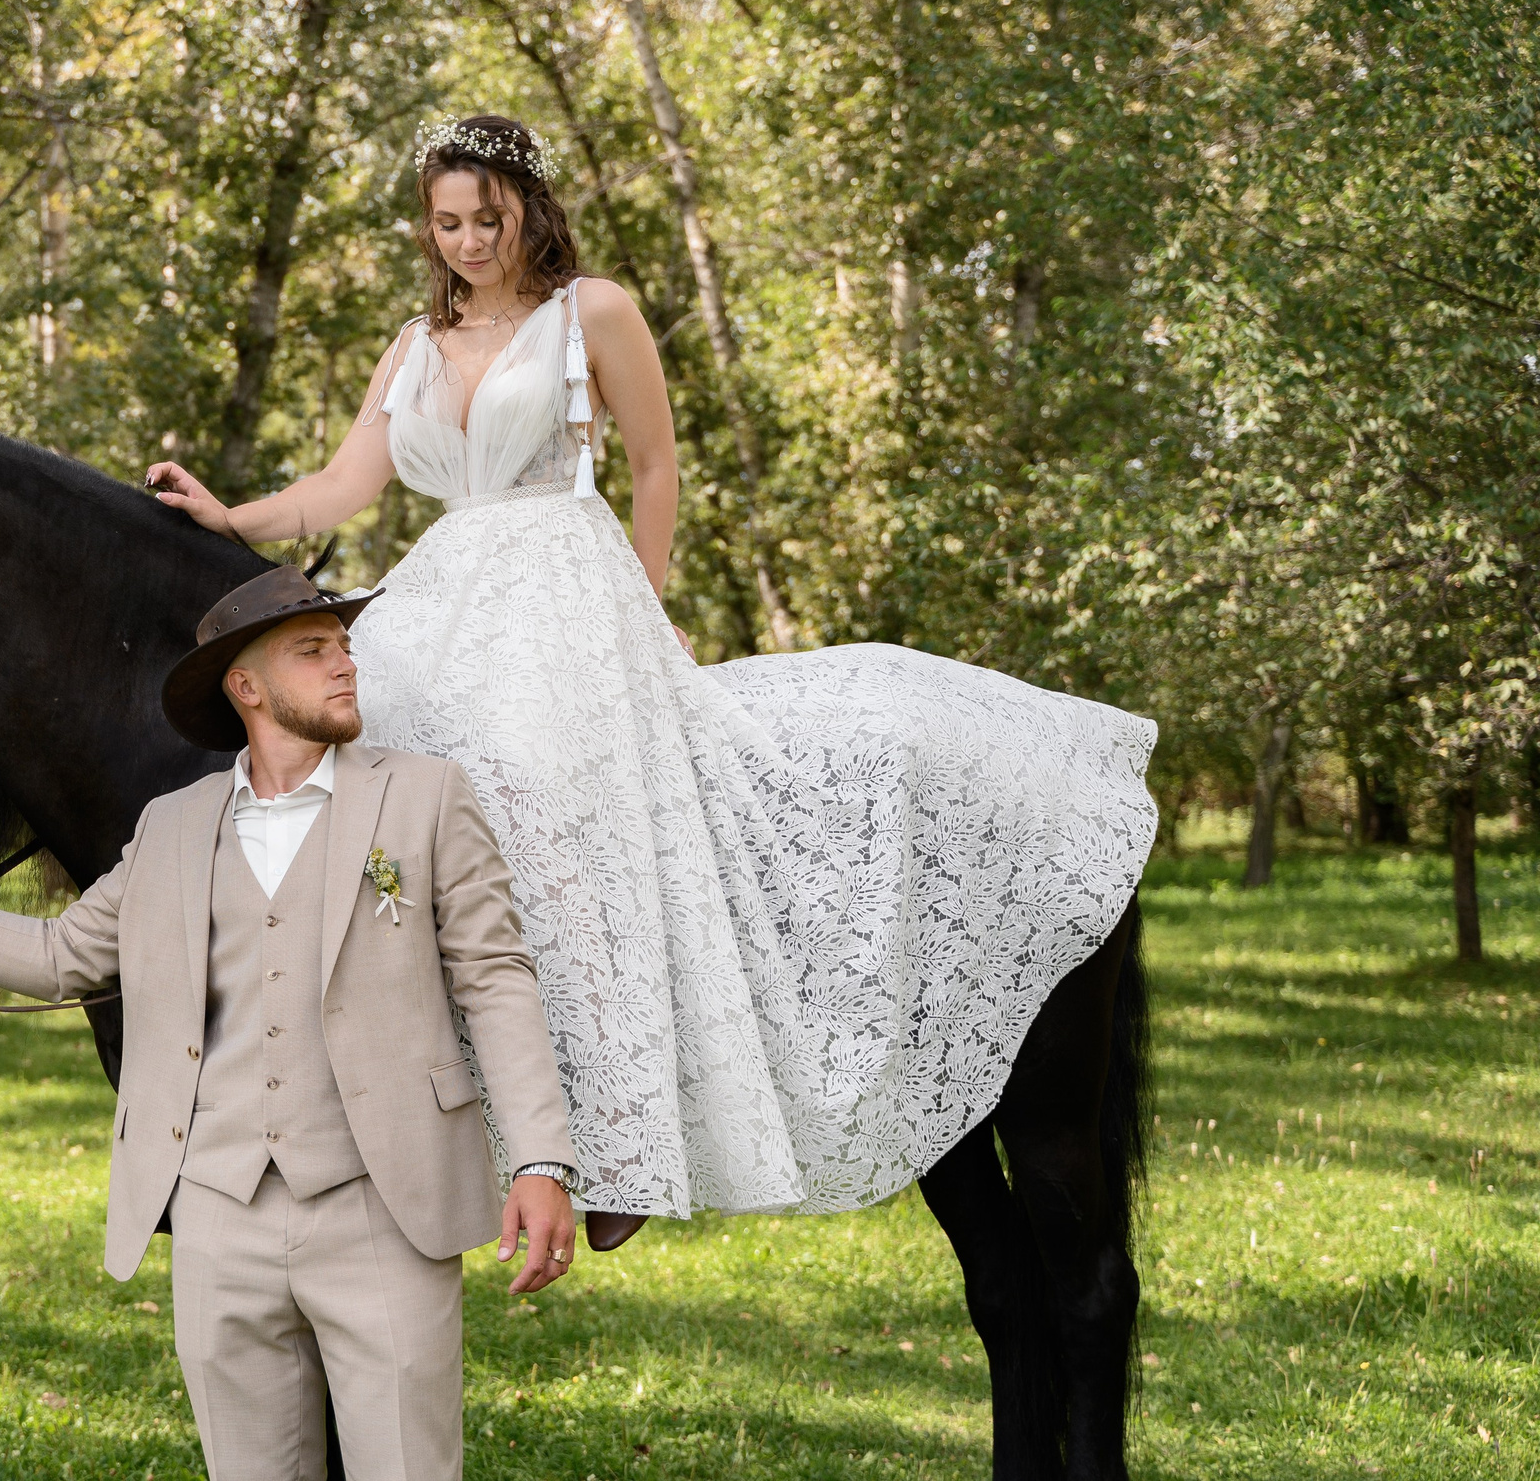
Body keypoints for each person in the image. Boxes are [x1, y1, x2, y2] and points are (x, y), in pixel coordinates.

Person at [146, 113, 1160, 1246]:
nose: (470, 240)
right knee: (370, 779)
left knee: (538, 782)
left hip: (563, 575)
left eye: (489, 216)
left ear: (528, 205)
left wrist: (646, 596)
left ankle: (617, 1127)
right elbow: (336, 490)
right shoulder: (411, 343)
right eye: (447, 221)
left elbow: (652, 460)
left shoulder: (595, 311)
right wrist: (227, 513)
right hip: (440, 587)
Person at [0, 563, 580, 1481]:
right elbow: (59, 956)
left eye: (345, 647)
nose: (345, 667)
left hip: (383, 1203)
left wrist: (539, 1159)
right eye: (313, 650)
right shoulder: (170, 826)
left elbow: (496, 977)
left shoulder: (424, 795)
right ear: (244, 687)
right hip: (217, 1212)